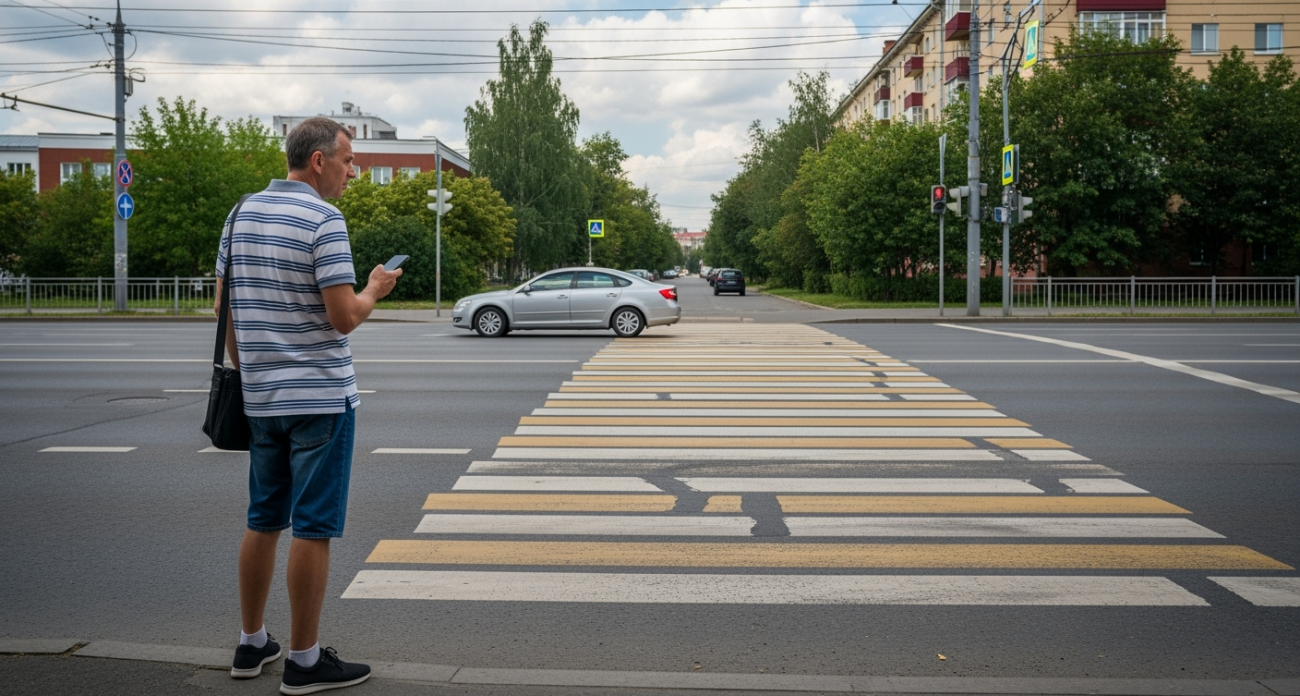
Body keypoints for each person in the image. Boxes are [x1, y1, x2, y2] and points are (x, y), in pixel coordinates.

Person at [214, 116, 401, 694]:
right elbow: (343, 317)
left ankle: (251, 646)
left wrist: (252, 374)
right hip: (319, 397)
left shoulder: (240, 213)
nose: (355, 168)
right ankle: (304, 660)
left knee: (263, 519)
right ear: (318, 161)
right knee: (313, 528)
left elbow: (224, 306)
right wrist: (374, 288)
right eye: (348, 158)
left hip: (261, 397)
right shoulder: (324, 219)